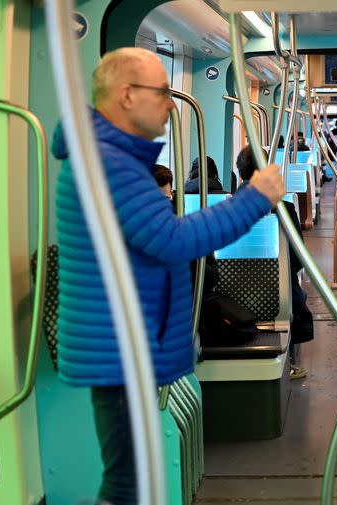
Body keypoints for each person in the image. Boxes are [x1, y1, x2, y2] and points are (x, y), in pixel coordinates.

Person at [52, 47, 285, 505]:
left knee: (131, 477)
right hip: (121, 349)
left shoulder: (113, 159)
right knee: (128, 481)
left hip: (127, 342)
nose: (171, 103)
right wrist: (254, 198)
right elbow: (172, 240)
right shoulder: (109, 164)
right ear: (125, 96)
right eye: (161, 91)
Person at [237, 146, 314, 380]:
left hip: (237, 284)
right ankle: (290, 359)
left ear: (241, 173)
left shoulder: (228, 206)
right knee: (292, 294)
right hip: (274, 286)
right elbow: (297, 256)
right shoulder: (283, 208)